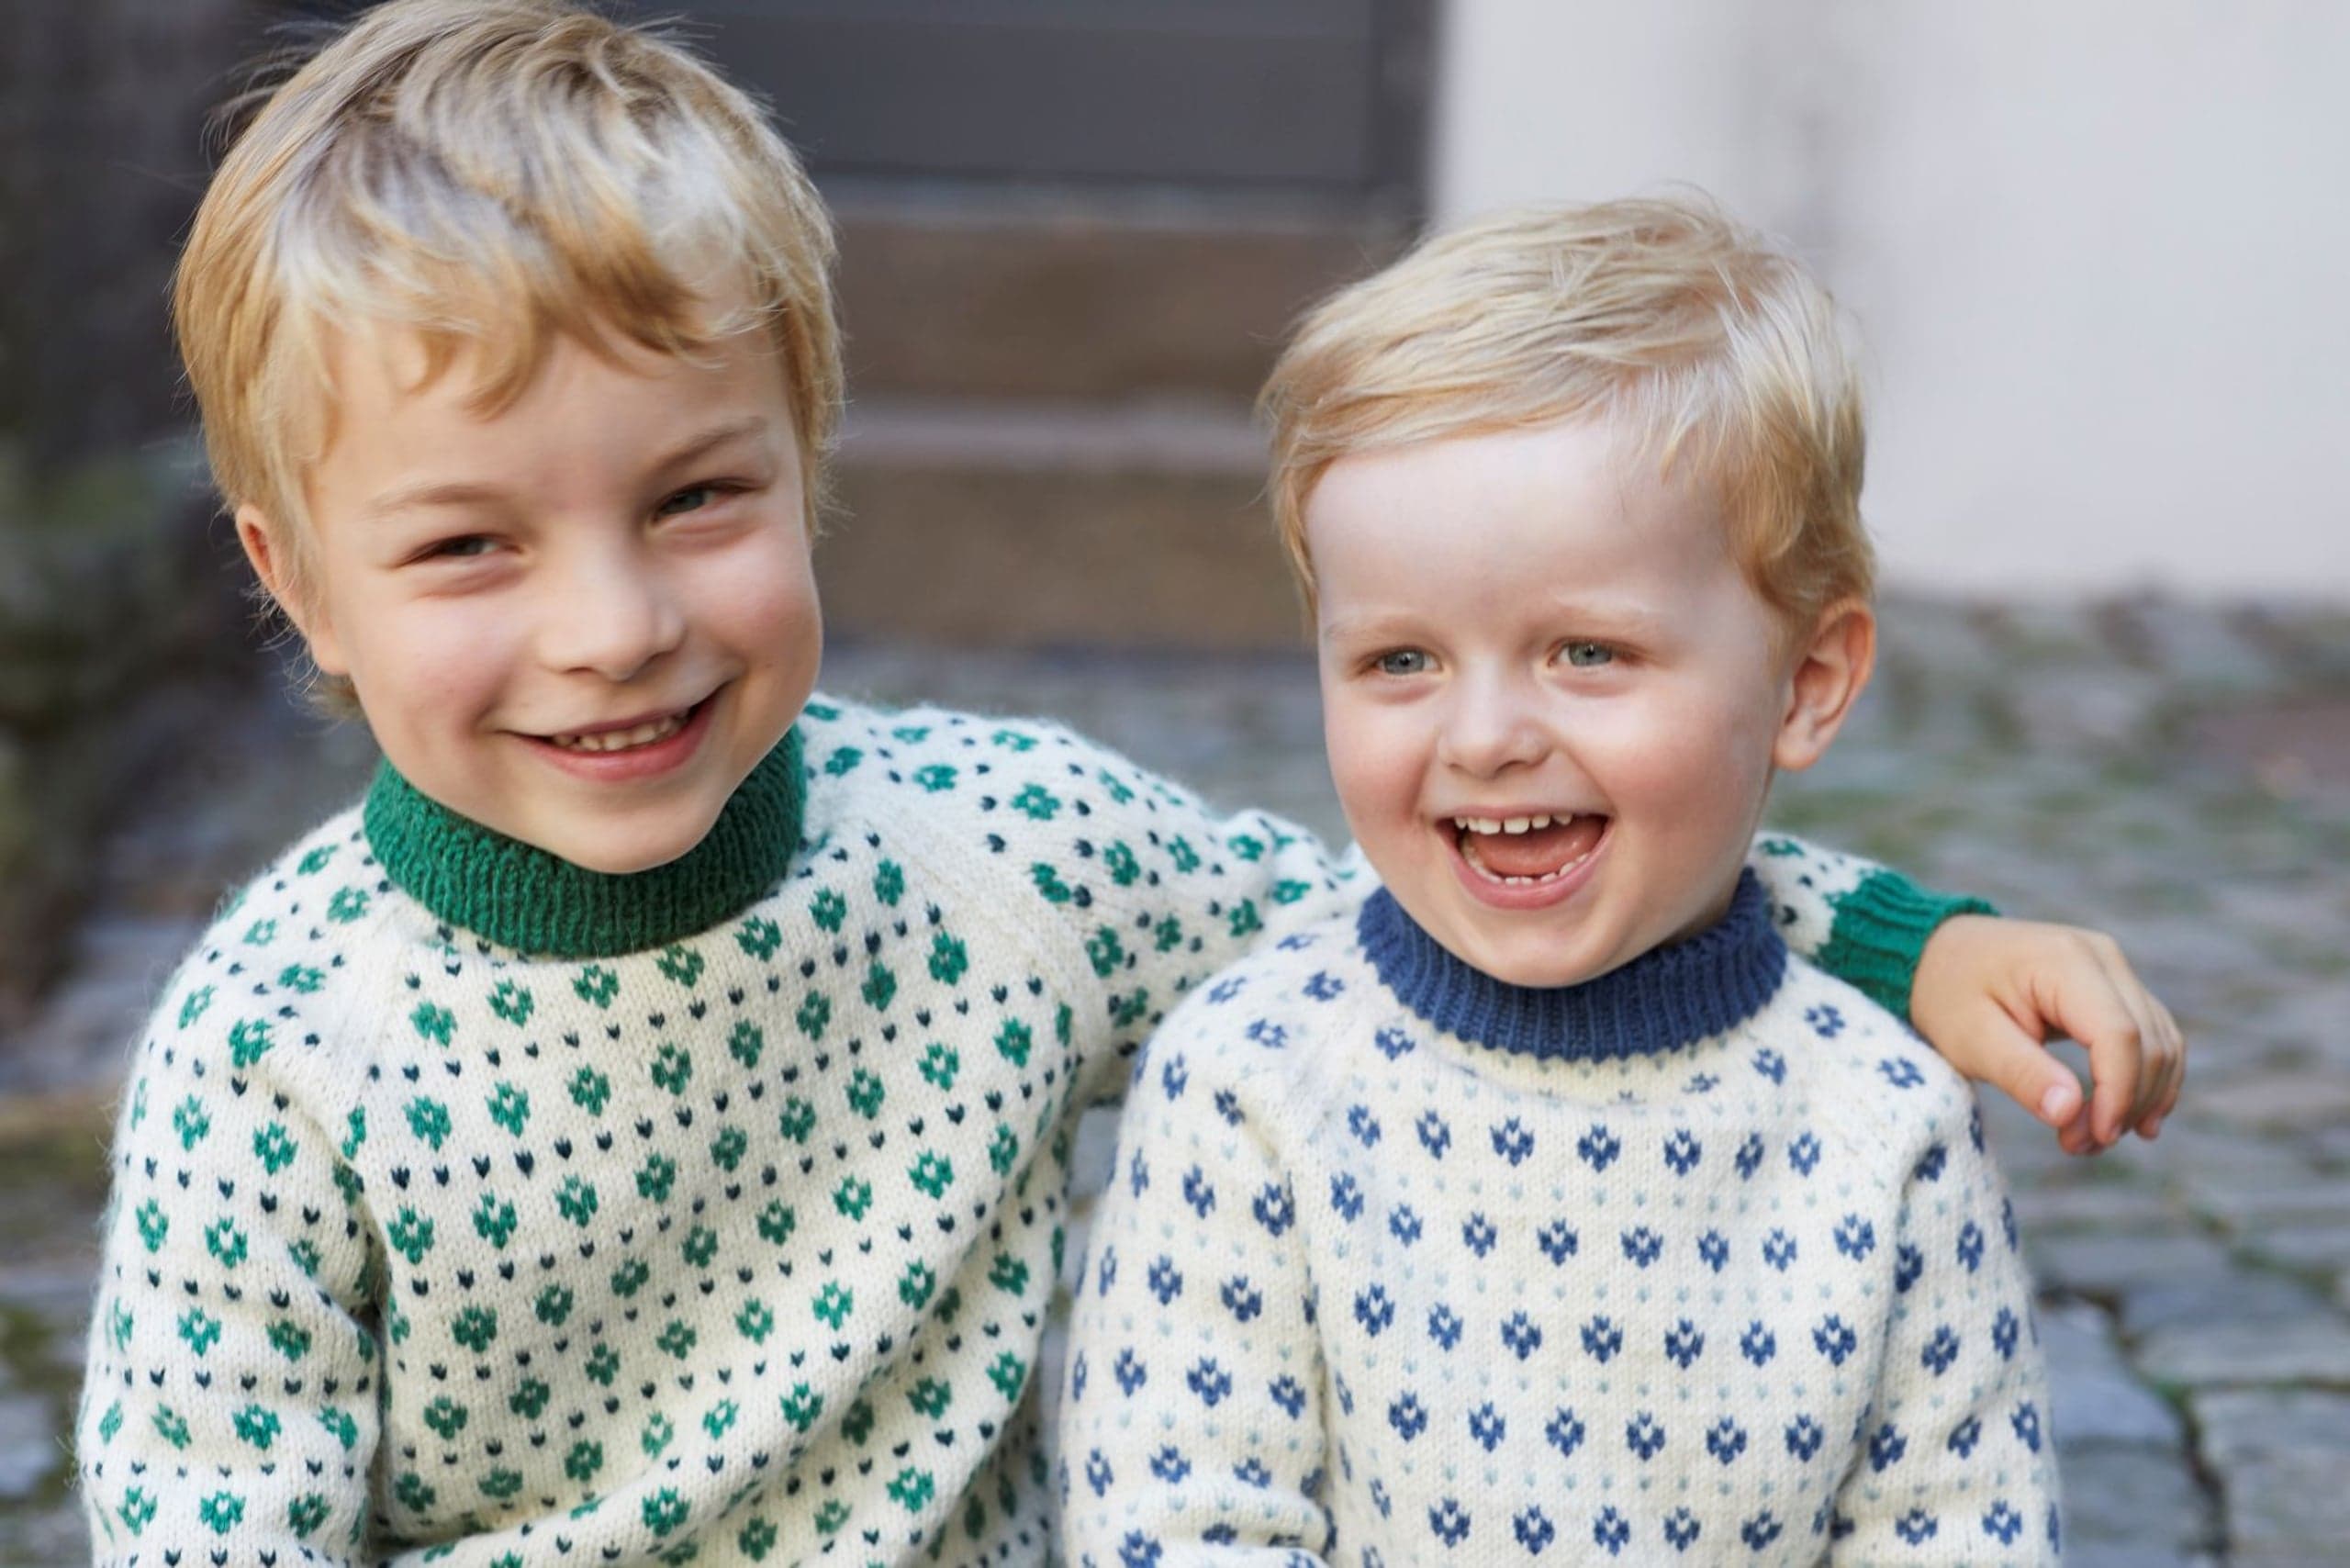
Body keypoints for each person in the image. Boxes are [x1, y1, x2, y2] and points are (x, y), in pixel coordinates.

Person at [73, 4, 2167, 1561]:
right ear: (298, 582)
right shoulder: (276, 1050)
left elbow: (1446, 878)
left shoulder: (1005, 856)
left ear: (807, 462)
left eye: (697, 497)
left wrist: (1907, 944)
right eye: (470, 545)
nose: (614, 623)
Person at [1058, 197, 2070, 1564]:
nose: (1484, 738)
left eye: (1587, 652)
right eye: (1400, 661)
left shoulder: (1883, 1124)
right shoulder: (1252, 1086)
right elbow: (1182, 1521)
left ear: (1805, 685)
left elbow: (1956, 1526)